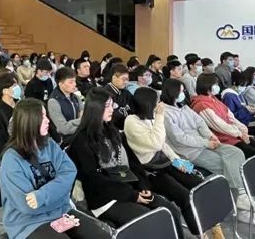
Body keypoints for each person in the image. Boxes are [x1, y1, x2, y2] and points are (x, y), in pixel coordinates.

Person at [68, 87, 184, 236]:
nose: (112, 109)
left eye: (112, 105)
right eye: (107, 106)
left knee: (170, 209)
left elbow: (134, 161)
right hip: (107, 197)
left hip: (134, 182)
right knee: (153, 220)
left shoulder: (112, 129)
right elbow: (94, 179)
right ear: (95, 109)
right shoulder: (83, 140)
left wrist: (142, 186)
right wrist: (133, 195)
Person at [0, 99, 109, 239]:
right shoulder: (11, 160)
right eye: (42, 116)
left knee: (102, 236)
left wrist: (43, 196)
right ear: (29, 121)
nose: (47, 121)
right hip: (28, 223)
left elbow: (69, 172)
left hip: (61, 211)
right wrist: (60, 193)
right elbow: (27, 206)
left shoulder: (49, 145)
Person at [160, 79, 255, 222]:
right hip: (190, 152)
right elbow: (180, 138)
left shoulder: (184, 107)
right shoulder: (165, 113)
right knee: (226, 165)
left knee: (237, 153)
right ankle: (242, 206)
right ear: (171, 92)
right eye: (180, 91)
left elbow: (200, 123)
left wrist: (211, 136)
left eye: (183, 91)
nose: (183, 94)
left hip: (205, 143)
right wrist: (206, 142)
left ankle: (242, 196)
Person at [124, 87, 207, 236]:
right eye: (156, 101)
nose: (159, 104)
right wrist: (159, 117)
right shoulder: (131, 121)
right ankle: (199, 232)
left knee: (198, 183)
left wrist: (179, 161)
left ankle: (208, 224)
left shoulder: (152, 117)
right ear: (148, 103)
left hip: (165, 161)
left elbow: (164, 145)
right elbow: (156, 143)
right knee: (184, 196)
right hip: (151, 170)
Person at [191, 73, 255, 196]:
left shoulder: (214, 99)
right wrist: (240, 133)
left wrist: (242, 129)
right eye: (215, 84)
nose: (217, 87)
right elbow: (220, 125)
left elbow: (231, 117)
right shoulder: (200, 105)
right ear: (207, 85)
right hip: (225, 141)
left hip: (235, 136)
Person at [48, 67, 83, 141]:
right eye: (71, 82)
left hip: (77, 135)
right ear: (61, 84)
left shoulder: (75, 97)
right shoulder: (53, 101)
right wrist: (82, 122)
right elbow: (63, 129)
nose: (75, 84)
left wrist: (75, 123)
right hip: (63, 140)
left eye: (74, 81)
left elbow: (84, 114)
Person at [104, 64, 133, 130]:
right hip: (113, 129)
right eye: (123, 79)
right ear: (114, 77)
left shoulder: (125, 91)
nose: (126, 82)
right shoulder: (105, 93)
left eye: (127, 79)